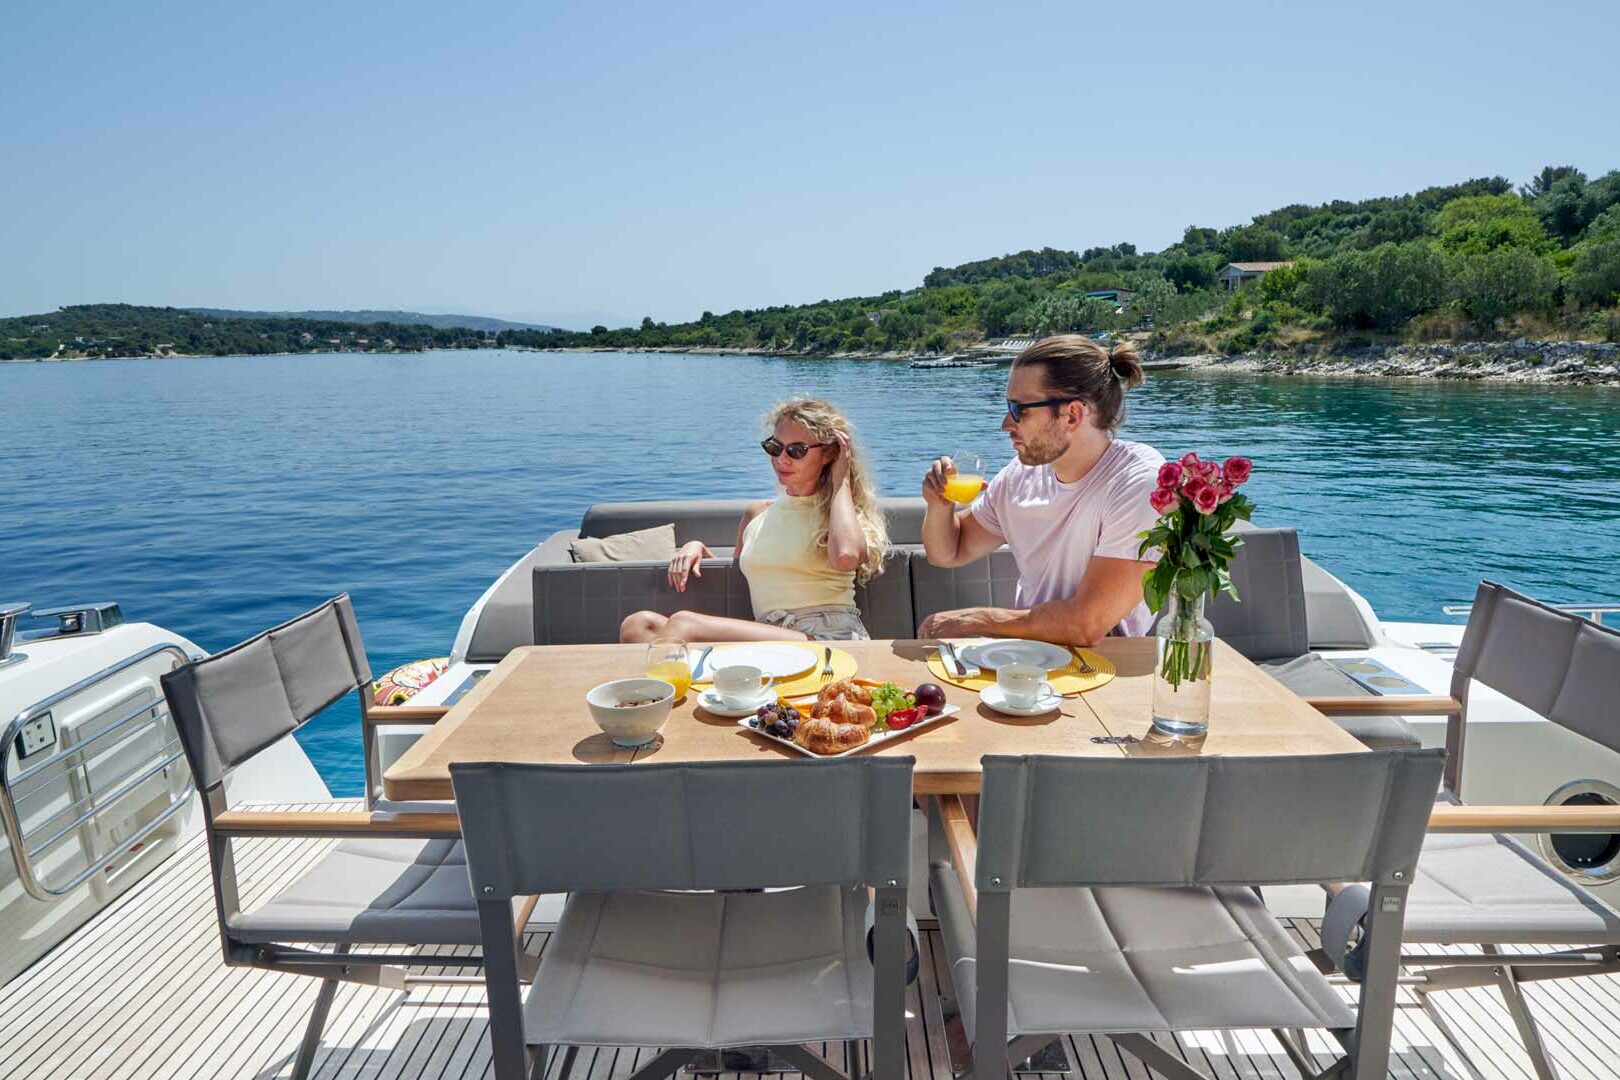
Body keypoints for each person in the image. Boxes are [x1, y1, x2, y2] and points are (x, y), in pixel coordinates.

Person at [918, 335, 1164, 645]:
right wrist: (940, 505)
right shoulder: (1020, 477)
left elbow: (1085, 625)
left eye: (1019, 410)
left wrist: (972, 621)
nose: (1006, 423)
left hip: (1104, 669)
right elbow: (948, 551)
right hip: (1028, 661)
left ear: (1072, 415)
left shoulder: (1139, 482)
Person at [620, 398, 889, 643]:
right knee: (639, 625)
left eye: (796, 450)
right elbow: (741, 580)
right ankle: (655, 694)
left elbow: (846, 557)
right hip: (772, 637)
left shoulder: (840, 514)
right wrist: (696, 547)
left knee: (684, 624)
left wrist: (840, 479)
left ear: (830, 454)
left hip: (828, 638)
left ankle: (659, 695)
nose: (781, 459)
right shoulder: (757, 514)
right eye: (774, 447)